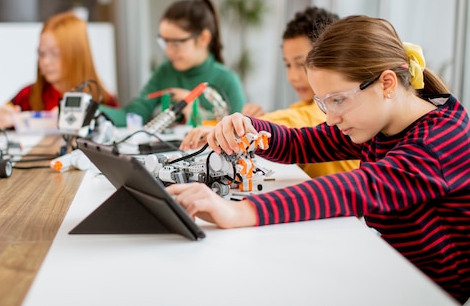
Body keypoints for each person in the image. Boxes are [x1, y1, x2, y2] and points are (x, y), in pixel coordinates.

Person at [166, 15, 470, 303]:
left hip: (422, 292)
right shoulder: (381, 121)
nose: (332, 118)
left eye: (338, 100)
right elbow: (302, 143)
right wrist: (249, 128)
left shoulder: (440, 140)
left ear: (387, 84)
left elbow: (358, 188)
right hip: (384, 266)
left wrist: (238, 213)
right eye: (324, 103)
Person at [181, 6, 359, 177]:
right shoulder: (301, 105)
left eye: (301, 64)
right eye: (288, 65)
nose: (293, 77)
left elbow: (299, 122)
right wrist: (252, 123)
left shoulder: (329, 112)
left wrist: (243, 126)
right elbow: (293, 127)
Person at [100, 0, 246, 126]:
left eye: (176, 44)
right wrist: (90, 108)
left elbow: (238, 133)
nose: (168, 51)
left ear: (203, 39)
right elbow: (134, 114)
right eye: (165, 42)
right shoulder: (165, 72)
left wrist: (197, 113)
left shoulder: (228, 81)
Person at [0, 12, 118, 129]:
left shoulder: (104, 101)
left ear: (77, 55)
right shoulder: (26, 97)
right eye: (41, 53)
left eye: (55, 53)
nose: (45, 62)